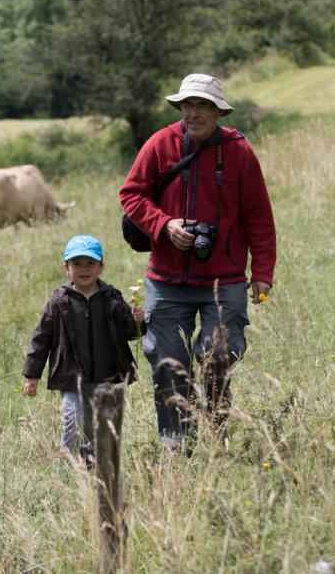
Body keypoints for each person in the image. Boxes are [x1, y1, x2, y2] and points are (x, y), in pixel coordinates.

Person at [119, 73, 276, 451]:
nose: (194, 112)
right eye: (188, 105)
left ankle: (217, 427)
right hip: (167, 279)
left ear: (218, 111)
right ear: (180, 109)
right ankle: (177, 445)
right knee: (169, 363)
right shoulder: (160, 144)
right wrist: (165, 224)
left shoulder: (239, 151)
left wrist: (263, 273)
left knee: (219, 355)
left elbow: (258, 214)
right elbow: (132, 194)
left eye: (203, 105)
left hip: (225, 280)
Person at [22, 234, 145, 462]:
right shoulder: (58, 302)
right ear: (66, 268)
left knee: (96, 424)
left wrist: (137, 320)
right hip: (70, 376)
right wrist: (32, 375)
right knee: (73, 419)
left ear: (101, 267)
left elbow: (130, 333)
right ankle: (67, 468)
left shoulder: (112, 298)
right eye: (76, 263)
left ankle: (91, 464)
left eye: (90, 263)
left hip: (104, 375)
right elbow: (41, 339)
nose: (83, 269)